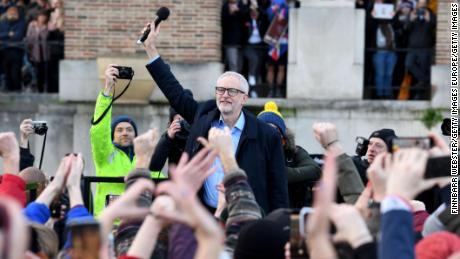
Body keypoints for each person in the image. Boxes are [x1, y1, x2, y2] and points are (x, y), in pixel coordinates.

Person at [142, 23, 288, 213]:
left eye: (232, 91)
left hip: (247, 218)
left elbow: (278, 189)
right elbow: (174, 91)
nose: (224, 94)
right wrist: (150, 48)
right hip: (204, 216)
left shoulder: (266, 135)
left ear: (244, 98)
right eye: (220, 89)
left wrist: (278, 229)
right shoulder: (203, 116)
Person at [90, 65, 164, 217]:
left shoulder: (144, 158)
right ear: (112, 136)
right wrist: (108, 90)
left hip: (138, 223)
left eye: (129, 130)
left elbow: (162, 181)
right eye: (119, 130)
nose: (125, 133)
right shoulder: (105, 153)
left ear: (136, 135)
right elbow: (99, 131)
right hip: (109, 223)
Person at [257, 101, 321, 208]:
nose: (268, 136)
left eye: (273, 131)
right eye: (263, 130)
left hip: (291, 211)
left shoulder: (294, 153)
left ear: (283, 138)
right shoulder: (250, 151)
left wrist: (280, 172)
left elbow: (315, 170)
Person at [405, 0, 436, 99]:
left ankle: (419, 95)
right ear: (417, 4)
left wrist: (429, 19)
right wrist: (410, 20)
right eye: (420, 3)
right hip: (413, 48)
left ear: (426, 5)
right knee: (409, 64)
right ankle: (427, 80)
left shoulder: (431, 14)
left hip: (425, 48)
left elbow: (435, 26)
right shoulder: (412, 14)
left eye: (424, 4)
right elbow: (406, 28)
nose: (422, 6)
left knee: (423, 69)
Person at [368, 0, 398, 99]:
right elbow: (368, 26)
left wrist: (394, 15)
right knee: (380, 74)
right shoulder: (374, 22)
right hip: (379, 52)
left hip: (391, 52)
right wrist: (372, 16)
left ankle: (387, 94)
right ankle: (380, 94)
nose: (379, 4)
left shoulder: (391, 21)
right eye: (377, 2)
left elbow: (398, 25)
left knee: (389, 75)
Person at [243, 5, 268, 97]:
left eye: (256, 12)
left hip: (260, 46)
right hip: (248, 46)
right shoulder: (246, 20)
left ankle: (254, 89)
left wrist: (257, 6)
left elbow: (265, 13)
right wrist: (250, 5)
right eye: (252, 12)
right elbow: (243, 12)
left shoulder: (261, 21)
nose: (254, 14)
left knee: (259, 66)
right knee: (254, 59)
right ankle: (251, 78)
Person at [0, 6, 26, 92]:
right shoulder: (3, 23)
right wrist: (8, 34)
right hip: (4, 51)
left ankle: (17, 91)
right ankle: (9, 92)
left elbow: (18, 36)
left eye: (14, 14)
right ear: (7, 14)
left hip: (16, 51)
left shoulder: (21, 23)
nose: (12, 16)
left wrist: (5, 37)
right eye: (11, 14)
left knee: (15, 74)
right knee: (7, 74)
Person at [26, 10, 50, 93]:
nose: (42, 18)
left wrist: (41, 29)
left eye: (44, 16)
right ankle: (35, 87)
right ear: (38, 17)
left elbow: (45, 37)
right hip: (34, 52)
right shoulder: (31, 25)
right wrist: (36, 29)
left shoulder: (47, 26)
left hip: (44, 52)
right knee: (35, 71)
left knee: (43, 71)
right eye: (41, 16)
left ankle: (42, 88)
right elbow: (29, 38)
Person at [221, 0, 247, 73]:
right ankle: (233, 82)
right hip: (230, 41)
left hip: (241, 41)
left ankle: (238, 81)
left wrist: (238, 10)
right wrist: (230, 13)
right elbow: (223, 23)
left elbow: (246, 20)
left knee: (240, 64)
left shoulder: (241, 5)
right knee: (233, 64)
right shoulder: (225, 6)